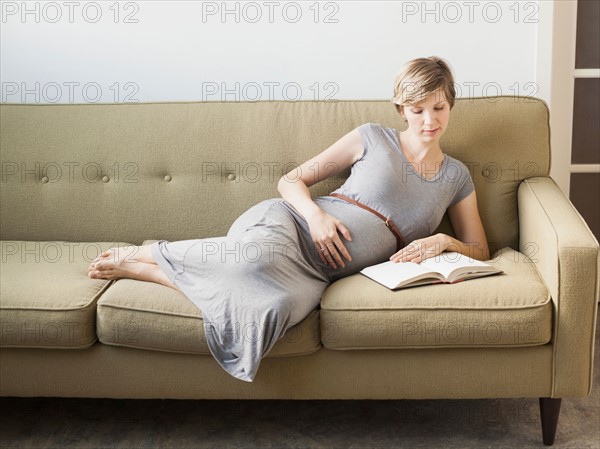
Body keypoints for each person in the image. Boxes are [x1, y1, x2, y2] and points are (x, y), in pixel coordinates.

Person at [88, 56, 489, 382]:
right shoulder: (372, 137)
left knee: (277, 311)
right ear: (402, 109)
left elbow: (480, 249)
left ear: (451, 104)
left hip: (320, 273)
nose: (428, 120)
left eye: (438, 108)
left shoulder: (456, 176)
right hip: (293, 225)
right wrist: (315, 216)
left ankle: (152, 270)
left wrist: (444, 242)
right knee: (252, 261)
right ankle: (154, 253)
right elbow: (291, 181)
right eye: (417, 110)